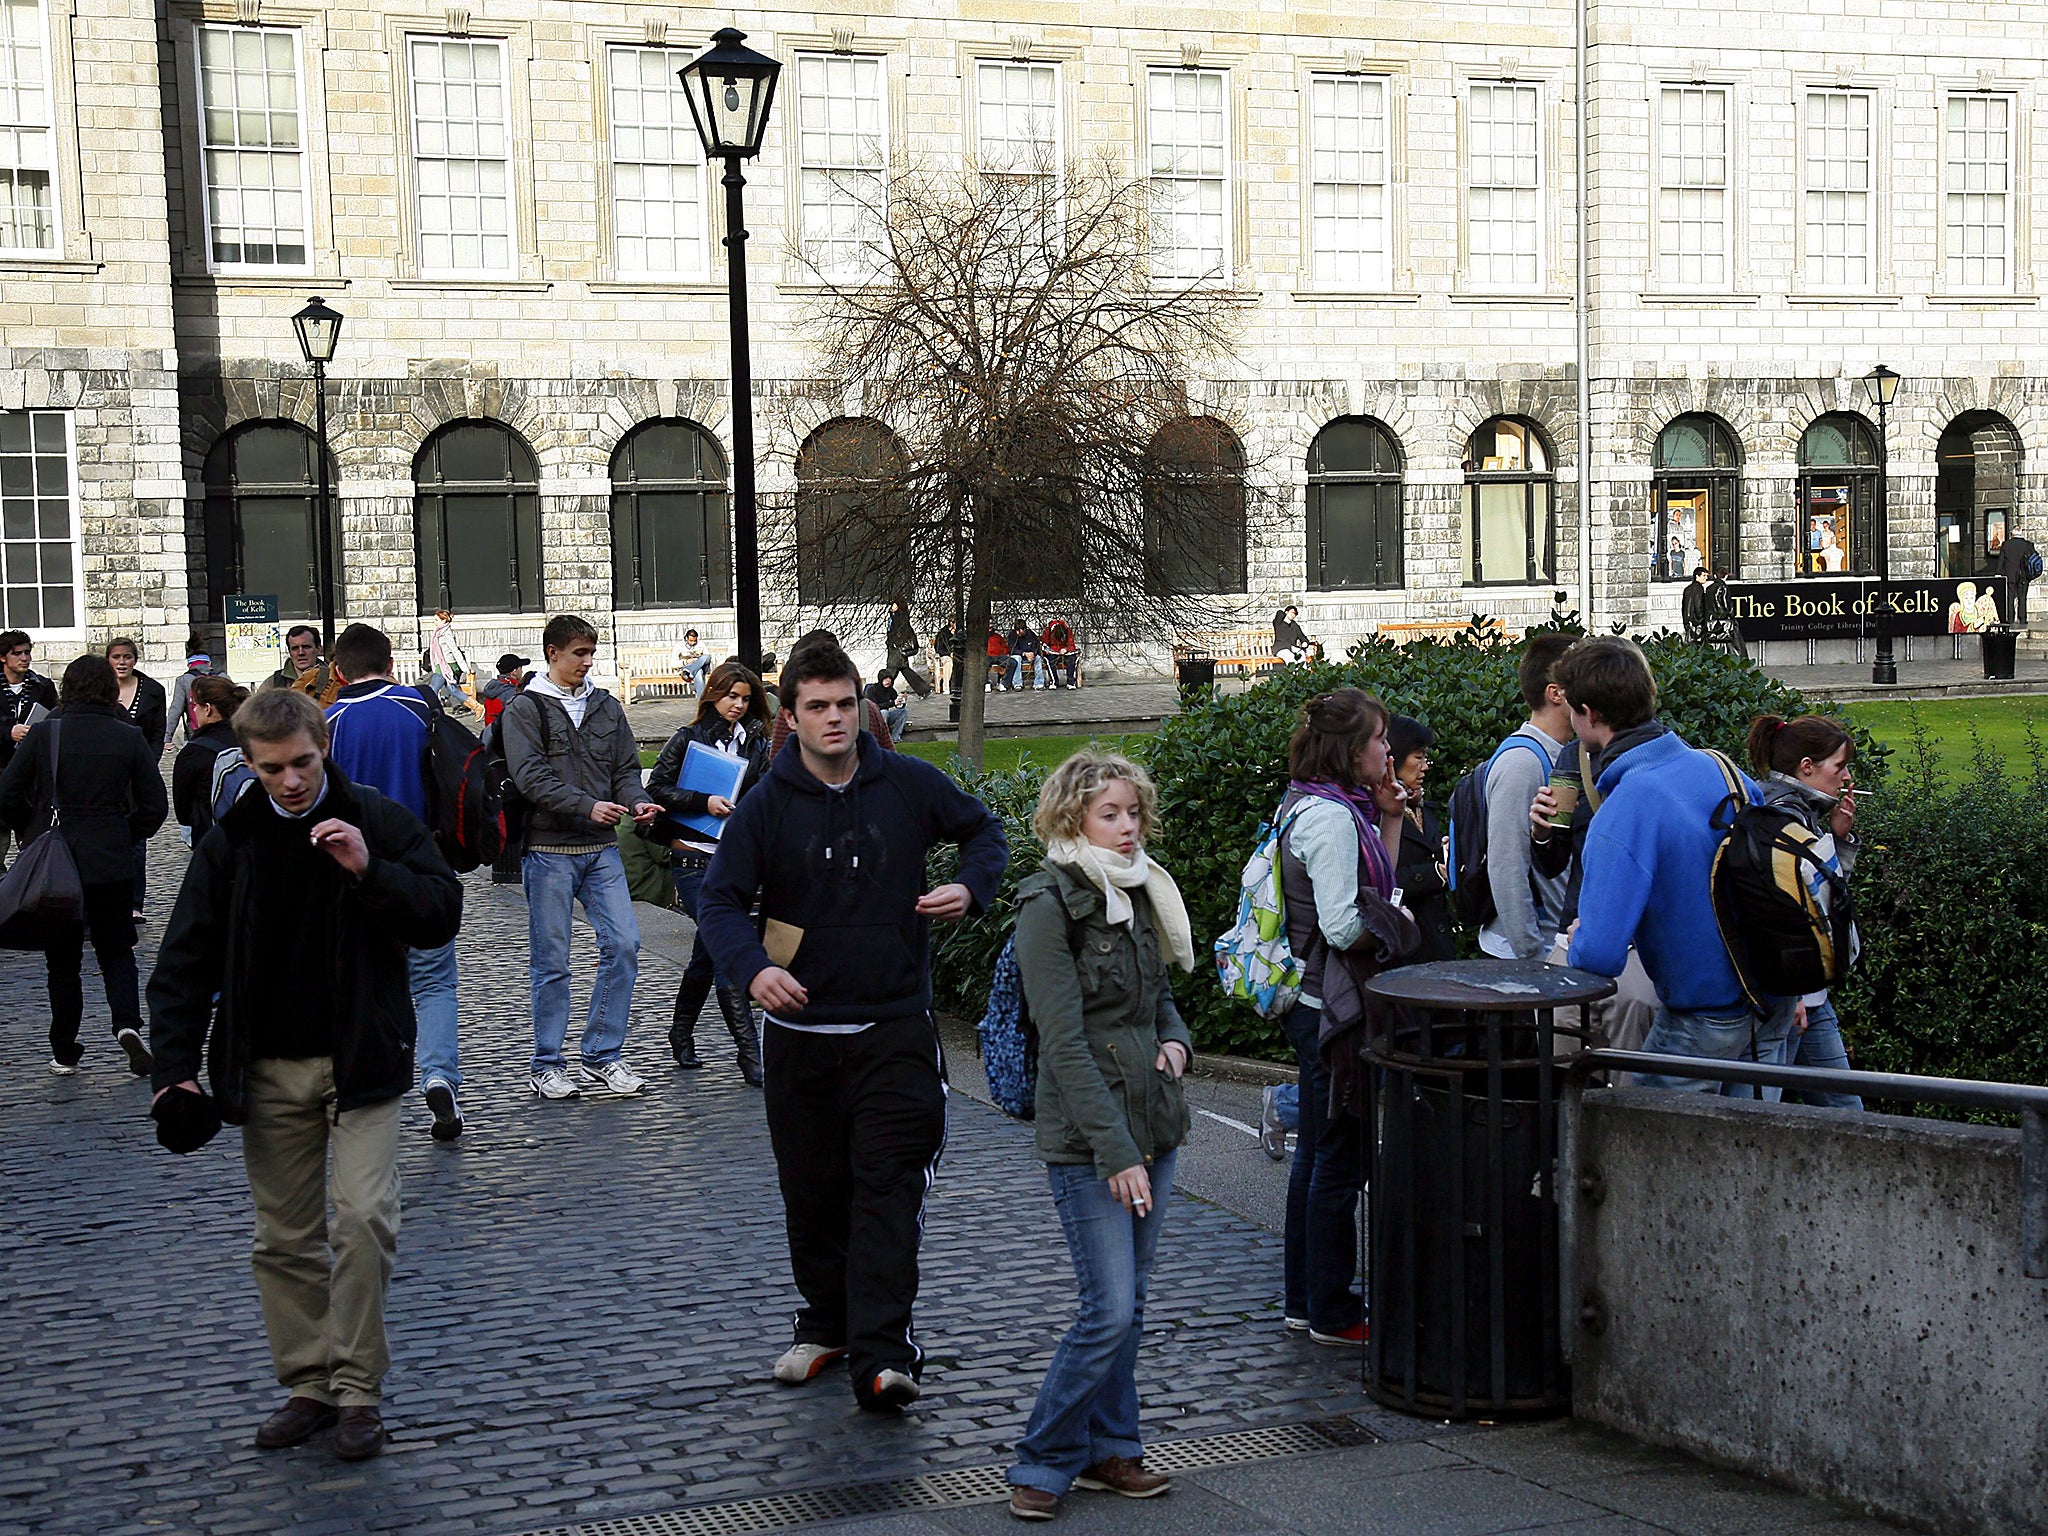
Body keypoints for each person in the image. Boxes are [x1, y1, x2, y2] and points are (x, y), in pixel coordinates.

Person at [148, 687, 463, 1462]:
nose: (289, 782)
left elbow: (440, 910)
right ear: (249, 765)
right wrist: (174, 1070)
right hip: (267, 1066)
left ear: (323, 750)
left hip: (364, 1059)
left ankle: (358, 1390)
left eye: (301, 764)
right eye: (271, 769)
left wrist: (368, 869)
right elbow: (183, 961)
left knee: (363, 1220)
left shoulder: (378, 819)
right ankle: (308, 1386)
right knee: (284, 1239)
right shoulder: (234, 841)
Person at [696, 642, 1008, 1410]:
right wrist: (753, 969)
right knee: (813, 1193)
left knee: (887, 1190)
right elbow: (720, 901)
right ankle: (826, 1324)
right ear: (793, 714)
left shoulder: (906, 784)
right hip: (802, 1039)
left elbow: (985, 833)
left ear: (861, 707)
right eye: (817, 707)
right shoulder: (769, 804)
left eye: (845, 705)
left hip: (895, 1029)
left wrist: (971, 887)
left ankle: (883, 1355)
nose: (834, 720)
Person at [1004, 752, 1194, 1520]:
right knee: (1107, 1308)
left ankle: (1113, 1450)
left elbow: (1161, 997)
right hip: (1091, 1136)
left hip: (1157, 1117)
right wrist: (1116, 1153)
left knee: (1133, 1304)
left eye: (1133, 813)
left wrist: (1178, 1043)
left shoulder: (1143, 888)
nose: (1126, 829)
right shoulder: (1049, 902)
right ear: (1071, 817)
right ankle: (1044, 1458)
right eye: (1110, 814)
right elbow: (1062, 1039)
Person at [1560, 638, 1789, 1091]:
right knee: (1743, 1152)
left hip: (1706, 1014)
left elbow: (1601, 955)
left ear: (1588, 715)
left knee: (1640, 1145)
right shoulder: (1720, 768)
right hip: (1770, 1002)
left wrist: (1578, 938)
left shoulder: (1624, 809)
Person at [1272, 688, 1416, 1346]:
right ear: (1352, 750)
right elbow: (1344, 921)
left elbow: (1374, 885)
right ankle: (1331, 1309)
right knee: (1339, 1160)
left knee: (1316, 1160)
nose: (1390, 751)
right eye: (1381, 739)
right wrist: (1400, 928)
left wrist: (1388, 819)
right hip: (1333, 1012)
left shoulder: (1324, 805)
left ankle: (1304, 1301)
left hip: (1317, 1005)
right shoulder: (1329, 820)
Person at [499, 614, 663, 1101]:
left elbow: (626, 770)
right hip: (548, 850)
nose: (587, 663)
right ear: (553, 653)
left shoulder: (606, 707)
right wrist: (587, 806)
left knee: (626, 944)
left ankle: (602, 1054)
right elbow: (530, 778)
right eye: (579, 654)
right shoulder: (525, 709)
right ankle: (547, 1062)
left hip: (601, 848)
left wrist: (636, 800)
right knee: (552, 961)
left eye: (591, 653)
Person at [324, 623, 467, 1142]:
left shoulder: (328, 720)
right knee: (433, 982)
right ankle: (438, 1075)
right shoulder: (420, 708)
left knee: (360, 979)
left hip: (354, 871)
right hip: (421, 863)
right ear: (391, 662)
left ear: (338, 670)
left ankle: (361, 1086)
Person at [0, 654, 167, 1077]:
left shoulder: (44, 734)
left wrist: (33, 827)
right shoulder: (127, 736)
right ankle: (127, 1024)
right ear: (110, 689)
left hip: (57, 858)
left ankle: (64, 1048)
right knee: (116, 949)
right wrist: (126, 833)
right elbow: (154, 806)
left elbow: (7, 794)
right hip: (110, 857)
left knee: (62, 959)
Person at [645, 660, 772, 1083]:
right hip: (692, 860)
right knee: (728, 948)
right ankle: (750, 1055)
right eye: (730, 696)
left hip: (734, 859)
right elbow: (656, 790)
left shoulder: (756, 742)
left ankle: (680, 1032)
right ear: (712, 694)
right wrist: (705, 801)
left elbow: (767, 793)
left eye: (745, 698)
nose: (737, 705)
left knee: (708, 951)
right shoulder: (688, 739)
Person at [1748, 715, 1864, 1112]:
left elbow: (1821, 899)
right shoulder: (1783, 816)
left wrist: (1840, 838)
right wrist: (1794, 994)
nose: (1846, 776)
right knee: (1769, 1113)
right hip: (1793, 995)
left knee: (1844, 1110)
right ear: (1807, 767)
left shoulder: (1801, 811)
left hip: (1806, 994)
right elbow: (1777, 911)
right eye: (1839, 766)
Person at [1478, 633, 1576, 962]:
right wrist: (1532, 956)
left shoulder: (1567, 755)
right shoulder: (1521, 762)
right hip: (1531, 958)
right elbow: (1506, 867)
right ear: (1556, 694)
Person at [106, 637, 168, 920]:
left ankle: (134, 903)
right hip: (105, 773)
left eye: (128, 656)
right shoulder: (101, 691)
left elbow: (157, 733)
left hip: (138, 774)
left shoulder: (152, 691)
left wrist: (148, 765)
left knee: (137, 843)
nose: (122, 662)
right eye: (117, 656)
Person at [1387, 715, 1455, 963]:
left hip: (1438, 945)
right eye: (1418, 757)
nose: (1425, 766)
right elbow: (1380, 879)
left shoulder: (1422, 808)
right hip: (1405, 952)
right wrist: (1435, 872)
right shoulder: (1378, 814)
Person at [0, 629, 58, 865]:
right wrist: (7, 733)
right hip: (2, 767)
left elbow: (54, 720)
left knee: (34, 842)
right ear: (3, 657)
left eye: (27, 653)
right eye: (17, 653)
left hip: (32, 776)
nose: (25, 658)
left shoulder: (41, 686)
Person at [171, 675, 250, 844]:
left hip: (214, 840)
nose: (194, 710)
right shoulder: (253, 741)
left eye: (195, 705)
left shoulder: (193, 753)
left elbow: (183, 812)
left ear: (207, 709)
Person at [423, 609, 482, 719]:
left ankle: (432, 714)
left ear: (444, 620)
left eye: (436, 620)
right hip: (441, 665)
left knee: (432, 689)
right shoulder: (438, 632)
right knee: (452, 690)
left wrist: (465, 668)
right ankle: (477, 707)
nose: (434, 622)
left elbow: (455, 651)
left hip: (447, 665)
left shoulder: (447, 634)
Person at [167, 640, 225, 748]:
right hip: (222, 734)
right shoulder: (223, 678)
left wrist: (167, 738)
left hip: (194, 735)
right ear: (209, 664)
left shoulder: (183, 680)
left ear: (189, 665)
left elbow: (176, 709)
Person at [886, 599, 934, 698]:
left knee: (890, 672)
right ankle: (924, 690)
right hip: (897, 650)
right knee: (905, 671)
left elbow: (900, 633)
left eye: (894, 604)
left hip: (897, 650)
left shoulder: (898, 618)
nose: (891, 606)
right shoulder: (897, 617)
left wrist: (893, 643)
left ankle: (883, 692)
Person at [1993, 524, 2036, 626]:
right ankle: (2022, 619)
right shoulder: (2028, 544)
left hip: (2010, 574)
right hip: (2024, 575)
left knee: (2010, 597)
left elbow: (2001, 560)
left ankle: (2010, 618)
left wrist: (1998, 573)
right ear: (2021, 532)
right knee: (2022, 597)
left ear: (2012, 533)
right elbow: (2033, 559)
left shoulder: (2006, 544)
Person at [478, 652, 528, 731]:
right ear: (514, 671)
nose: (522, 672)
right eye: (520, 668)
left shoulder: (492, 688)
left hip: (491, 736)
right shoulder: (512, 693)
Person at [865, 668, 909, 742]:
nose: (888, 681)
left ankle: (895, 737)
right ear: (881, 679)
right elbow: (875, 707)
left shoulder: (891, 690)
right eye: (886, 679)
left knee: (903, 711)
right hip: (873, 718)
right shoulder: (872, 689)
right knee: (884, 712)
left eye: (889, 678)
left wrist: (902, 701)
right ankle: (882, 738)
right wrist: (892, 703)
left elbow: (898, 705)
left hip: (886, 717)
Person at [1041, 617, 1079, 689]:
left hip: (1065, 653)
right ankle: (1054, 681)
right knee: (1050, 661)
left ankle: (1070, 682)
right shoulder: (1048, 630)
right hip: (1052, 653)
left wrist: (1066, 649)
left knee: (1072, 659)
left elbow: (1071, 644)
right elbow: (1044, 644)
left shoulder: (1068, 631)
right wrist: (1048, 650)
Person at [1008, 620, 1045, 690]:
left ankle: (1039, 683)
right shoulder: (1012, 635)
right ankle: (1017, 684)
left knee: (1038, 659)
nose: (1018, 632)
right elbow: (1012, 649)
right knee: (1016, 659)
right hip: (1019, 655)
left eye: (1020, 630)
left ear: (1024, 629)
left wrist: (1033, 654)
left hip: (1029, 655)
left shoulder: (1031, 634)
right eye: (1017, 630)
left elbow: (1036, 645)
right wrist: (1024, 654)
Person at [933, 619, 963, 696]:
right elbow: (938, 648)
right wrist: (949, 654)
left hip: (958, 656)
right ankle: (946, 687)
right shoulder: (942, 634)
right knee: (948, 662)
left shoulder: (959, 633)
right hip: (945, 656)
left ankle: (961, 686)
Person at [1681, 567, 1710, 644]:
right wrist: (1702, 619)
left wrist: (1686, 621)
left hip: (1688, 621)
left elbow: (1684, 607)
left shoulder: (1687, 589)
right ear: (1697, 576)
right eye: (1704, 575)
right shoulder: (1699, 589)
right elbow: (1698, 606)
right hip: (1696, 622)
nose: (1706, 578)